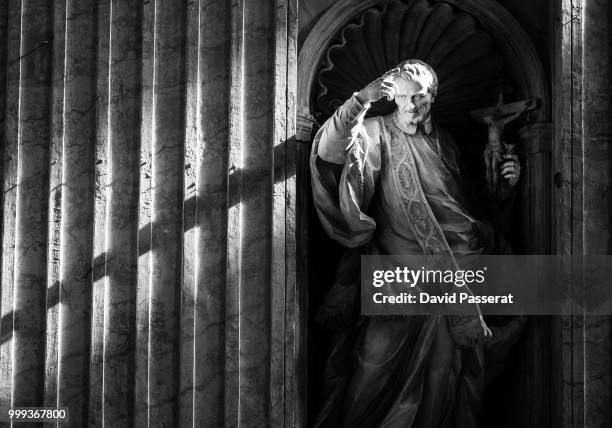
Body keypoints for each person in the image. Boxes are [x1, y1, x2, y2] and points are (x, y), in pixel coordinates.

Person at [310, 59, 523, 427]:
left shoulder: (446, 143)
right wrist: (362, 100)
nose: (411, 107)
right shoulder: (375, 133)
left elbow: (467, 211)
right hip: (395, 281)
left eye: (420, 99)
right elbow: (331, 153)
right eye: (404, 98)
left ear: (432, 98)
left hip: (455, 281)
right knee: (370, 369)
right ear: (392, 98)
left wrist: (504, 186)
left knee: (445, 380)